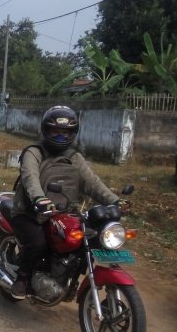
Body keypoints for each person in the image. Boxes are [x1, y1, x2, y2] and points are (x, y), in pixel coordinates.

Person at [9, 105, 119, 299]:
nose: (61, 138)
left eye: (65, 133)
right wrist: (39, 198)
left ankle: (68, 277)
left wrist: (114, 200)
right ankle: (23, 278)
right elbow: (30, 177)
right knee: (38, 243)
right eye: (56, 132)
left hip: (63, 211)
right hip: (29, 212)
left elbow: (92, 182)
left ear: (72, 134)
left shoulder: (73, 157)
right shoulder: (34, 152)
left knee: (84, 240)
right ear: (45, 131)